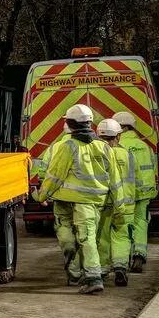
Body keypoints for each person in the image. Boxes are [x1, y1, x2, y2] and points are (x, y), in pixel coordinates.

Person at [31, 103, 112, 294]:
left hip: (67, 202)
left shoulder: (67, 147)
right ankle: (84, 275)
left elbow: (54, 176)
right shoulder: (104, 146)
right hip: (92, 202)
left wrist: (40, 195)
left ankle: (90, 277)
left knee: (71, 239)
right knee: (87, 238)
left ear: (69, 123)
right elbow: (113, 176)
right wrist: (115, 202)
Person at [114, 111, 159, 273]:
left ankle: (122, 259)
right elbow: (153, 168)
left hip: (127, 193)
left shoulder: (118, 146)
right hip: (145, 192)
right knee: (141, 223)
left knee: (124, 226)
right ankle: (139, 254)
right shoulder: (144, 146)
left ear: (122, 128)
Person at [96, 117, 135, 286]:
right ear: (118, 136)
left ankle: (103, 270)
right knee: (122, 236)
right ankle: (120, 266)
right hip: (125, 202)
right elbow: (135, 179)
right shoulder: (127, 154)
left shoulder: (96, 155)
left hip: (103, 204)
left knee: (102, 238)